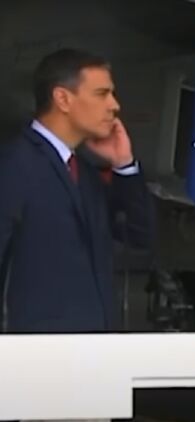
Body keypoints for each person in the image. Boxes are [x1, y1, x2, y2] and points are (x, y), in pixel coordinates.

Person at [0, 49, 155, 332]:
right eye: (101, 94)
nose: (114, 105)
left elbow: (139, 238)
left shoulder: (85, 173)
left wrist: (124, 165)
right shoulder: (12, 165)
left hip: (92, 347)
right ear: (63, 99)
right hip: (32, 350)